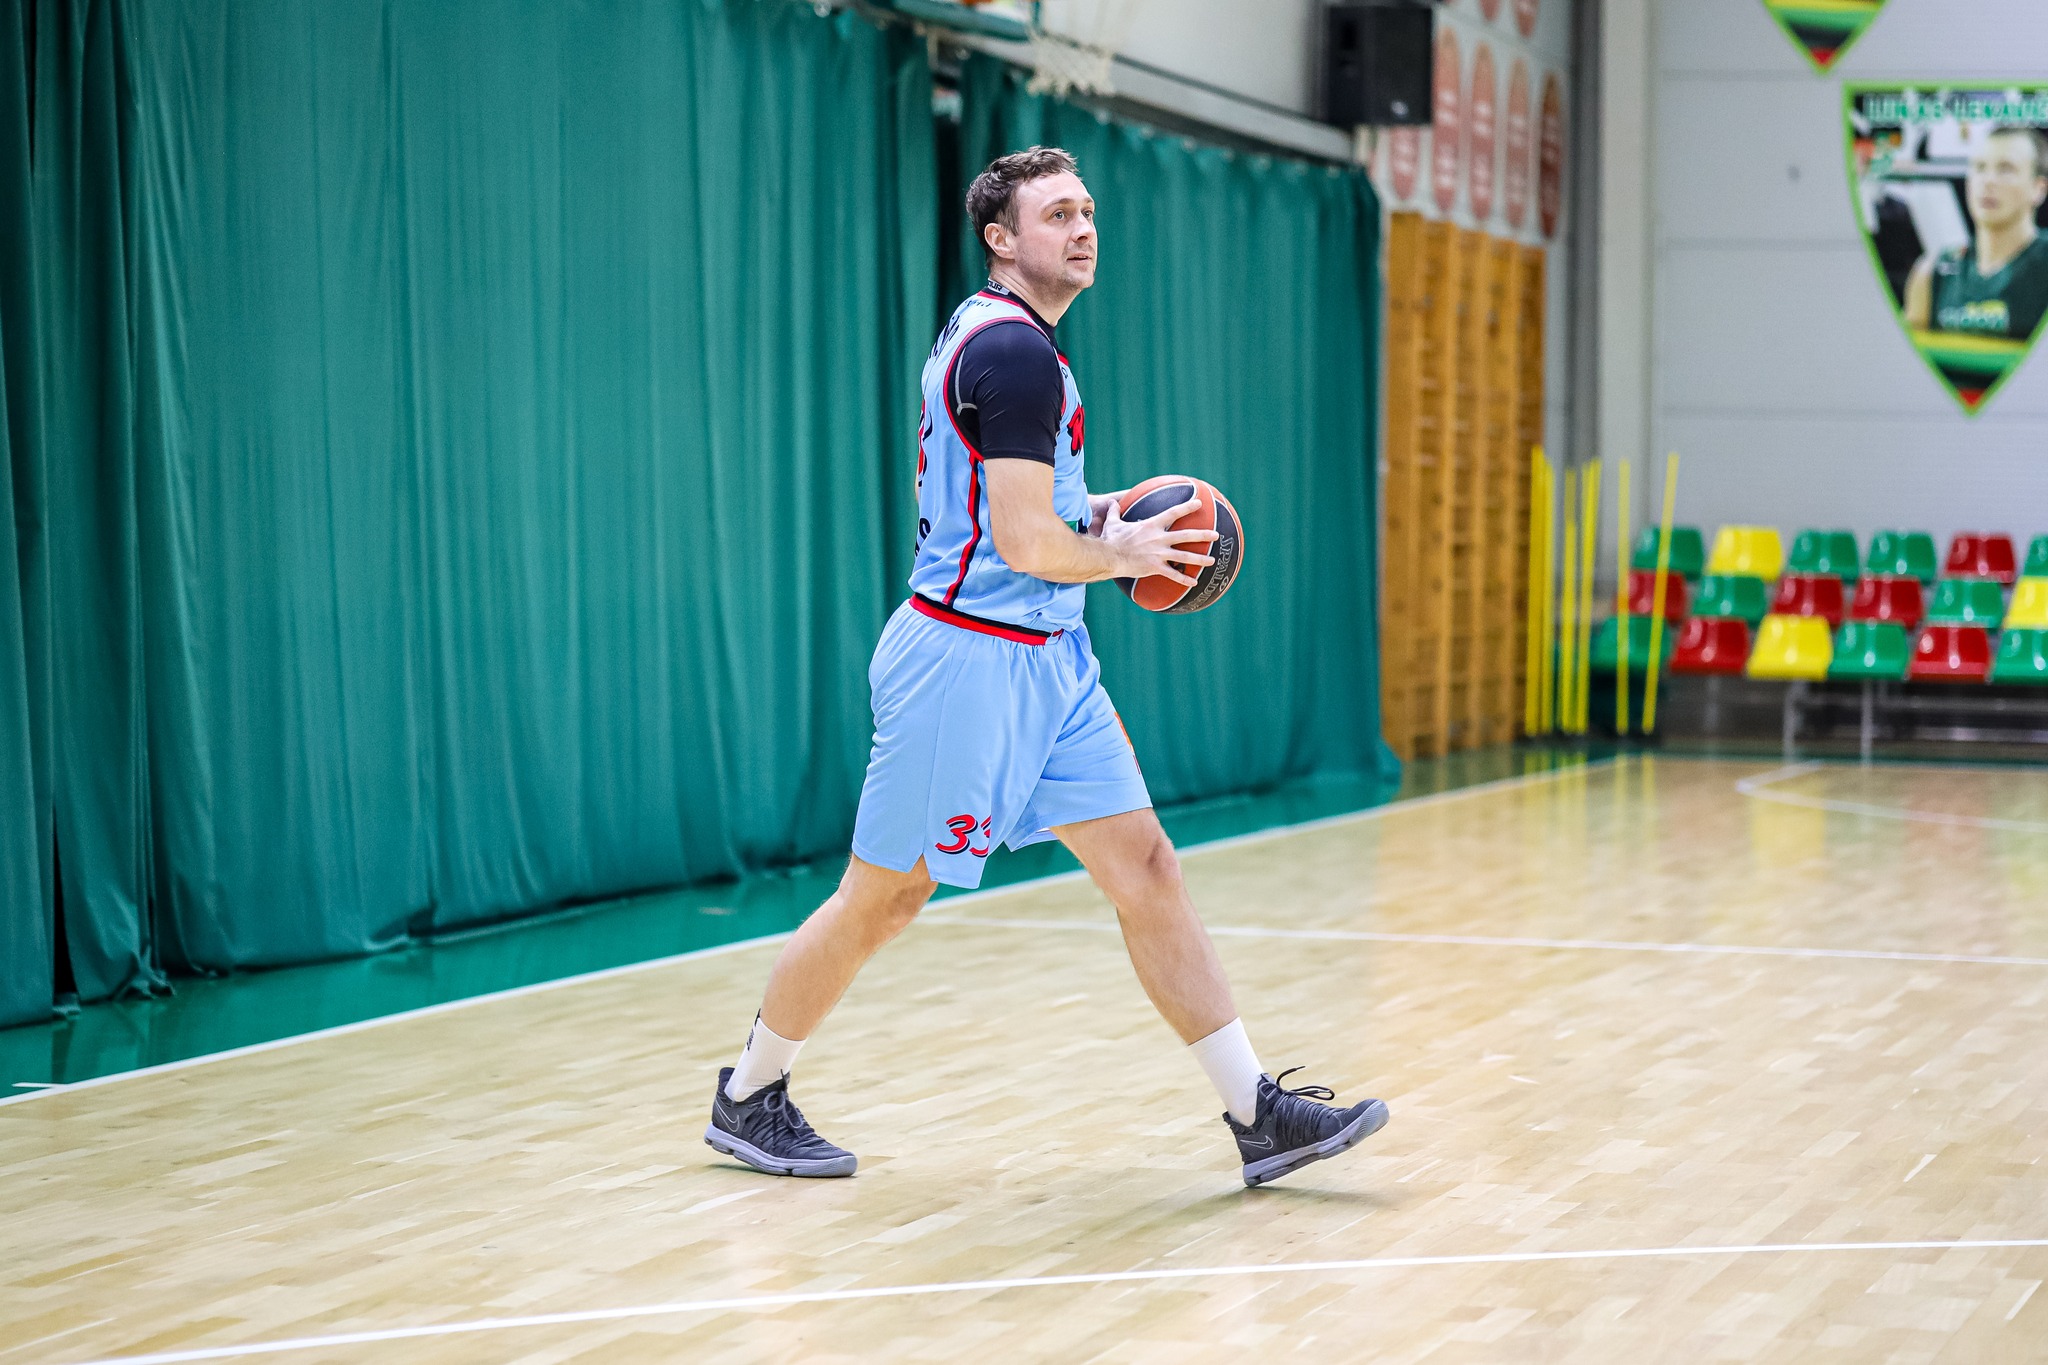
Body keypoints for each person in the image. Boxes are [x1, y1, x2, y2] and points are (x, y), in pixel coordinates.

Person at [703, 146, 1388, 1189]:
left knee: (1145, 866)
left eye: (1086, 211)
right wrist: (1123, 554)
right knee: (883, 899)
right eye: (1056, 214)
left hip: (1050, 659)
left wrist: (1106, 515)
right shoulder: (1014, 353)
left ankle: (1258, 1113)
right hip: (965, 662)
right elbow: (1025, 542)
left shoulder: (1011, 342)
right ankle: (750, 1094)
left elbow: (1026, 511)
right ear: (1000, 239)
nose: (1081, 229)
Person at [1904, 124, 2048, 341]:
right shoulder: (1932, 272)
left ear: (2039, 188)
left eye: (2006, 169)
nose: (1988, 181)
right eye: (1980, 167)